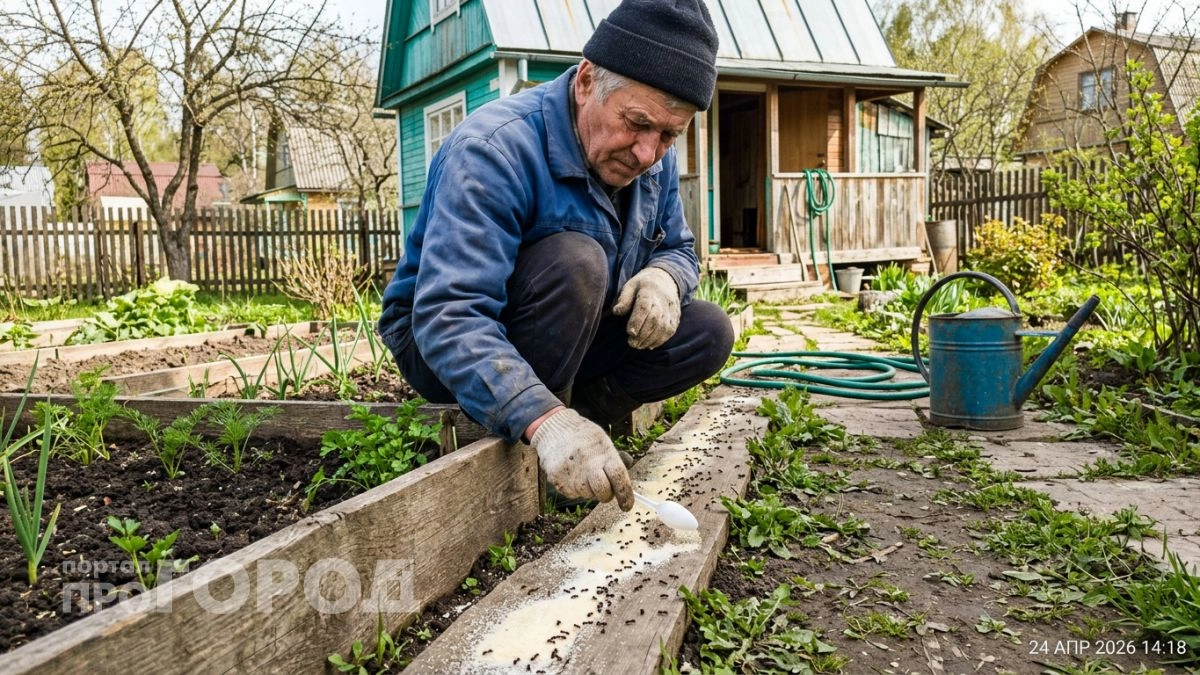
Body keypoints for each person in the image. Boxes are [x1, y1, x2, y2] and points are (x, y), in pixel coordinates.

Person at [377, 0, 734, 513]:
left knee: (707, 331)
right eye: (636, 123)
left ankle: (586, 422)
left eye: (668, 135)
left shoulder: (652, 155)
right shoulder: (494, 150)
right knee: (577, 261)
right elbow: (449, 314)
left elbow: (678, 247)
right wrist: (546, 420)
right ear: (587, 81)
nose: (646, 153)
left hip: (571, 328)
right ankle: (541, 422)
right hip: (445, 345)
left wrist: (664, 277)